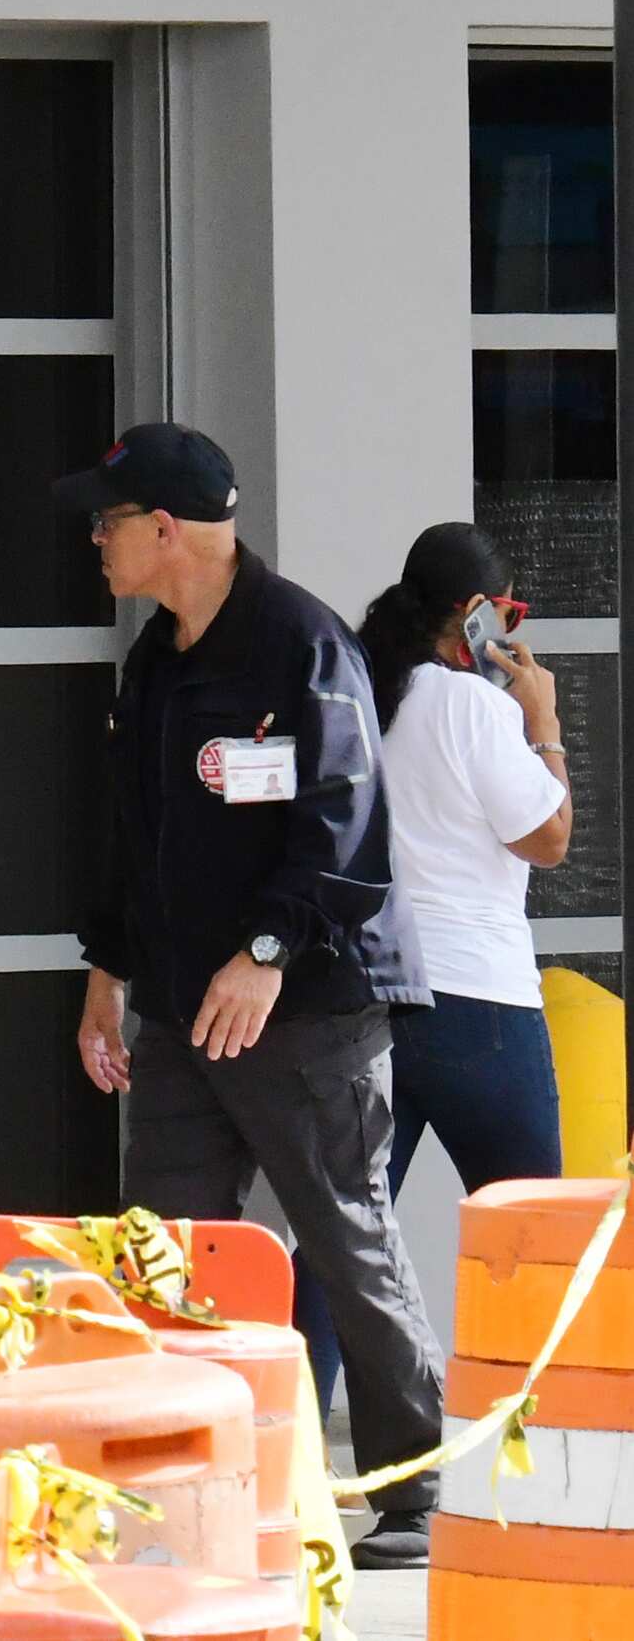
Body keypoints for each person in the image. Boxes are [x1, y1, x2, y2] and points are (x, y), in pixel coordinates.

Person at [52, 422, 441, 1571]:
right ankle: (169, 1481)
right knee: (163, 1248)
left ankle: (413, 1491)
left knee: (343, 1235)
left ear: (165, 529)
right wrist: (104, 975)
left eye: (107, 522)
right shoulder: (153, 661)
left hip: (307, 1009)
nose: (95, 540)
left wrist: (266, 949)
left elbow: (346, 829)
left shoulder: (300, 643)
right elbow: (134, 841)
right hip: (183, 1015)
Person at [292, 522, 570, 1408]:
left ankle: (291, 1431)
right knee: (532, 1235)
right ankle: (534, 1437)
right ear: (476, 613)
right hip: (481, 1006)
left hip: (377, 995)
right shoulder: (475, 707)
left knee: (347, 1238)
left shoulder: (365, 689)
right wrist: (544, 723)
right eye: (509, 611)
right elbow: (549, 837)